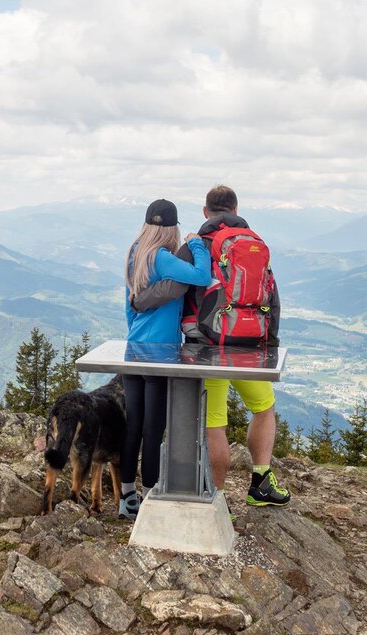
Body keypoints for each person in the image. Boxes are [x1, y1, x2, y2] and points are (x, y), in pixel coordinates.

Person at [131, 185, 291, 508]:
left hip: (206, 347)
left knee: (214, 421)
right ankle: (261, 480)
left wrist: (139, 301)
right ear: (235, 209)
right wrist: (268, 345)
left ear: (206, 212)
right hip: (250, 348)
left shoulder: (198, 245)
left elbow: (174, 288)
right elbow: (271, 297)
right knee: (264, 408)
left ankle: (217, 499)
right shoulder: (255, 244)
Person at [119, 199, 213, 520]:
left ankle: (126, 496)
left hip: (134, 349)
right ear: (171, 228)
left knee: (133, 425)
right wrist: (196, 244)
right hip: (160, 353)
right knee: (153, 427)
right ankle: (150, 497)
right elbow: (201, 275)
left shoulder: (135, 254)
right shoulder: (161, 257)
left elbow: (130, 307)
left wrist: (136, 338)